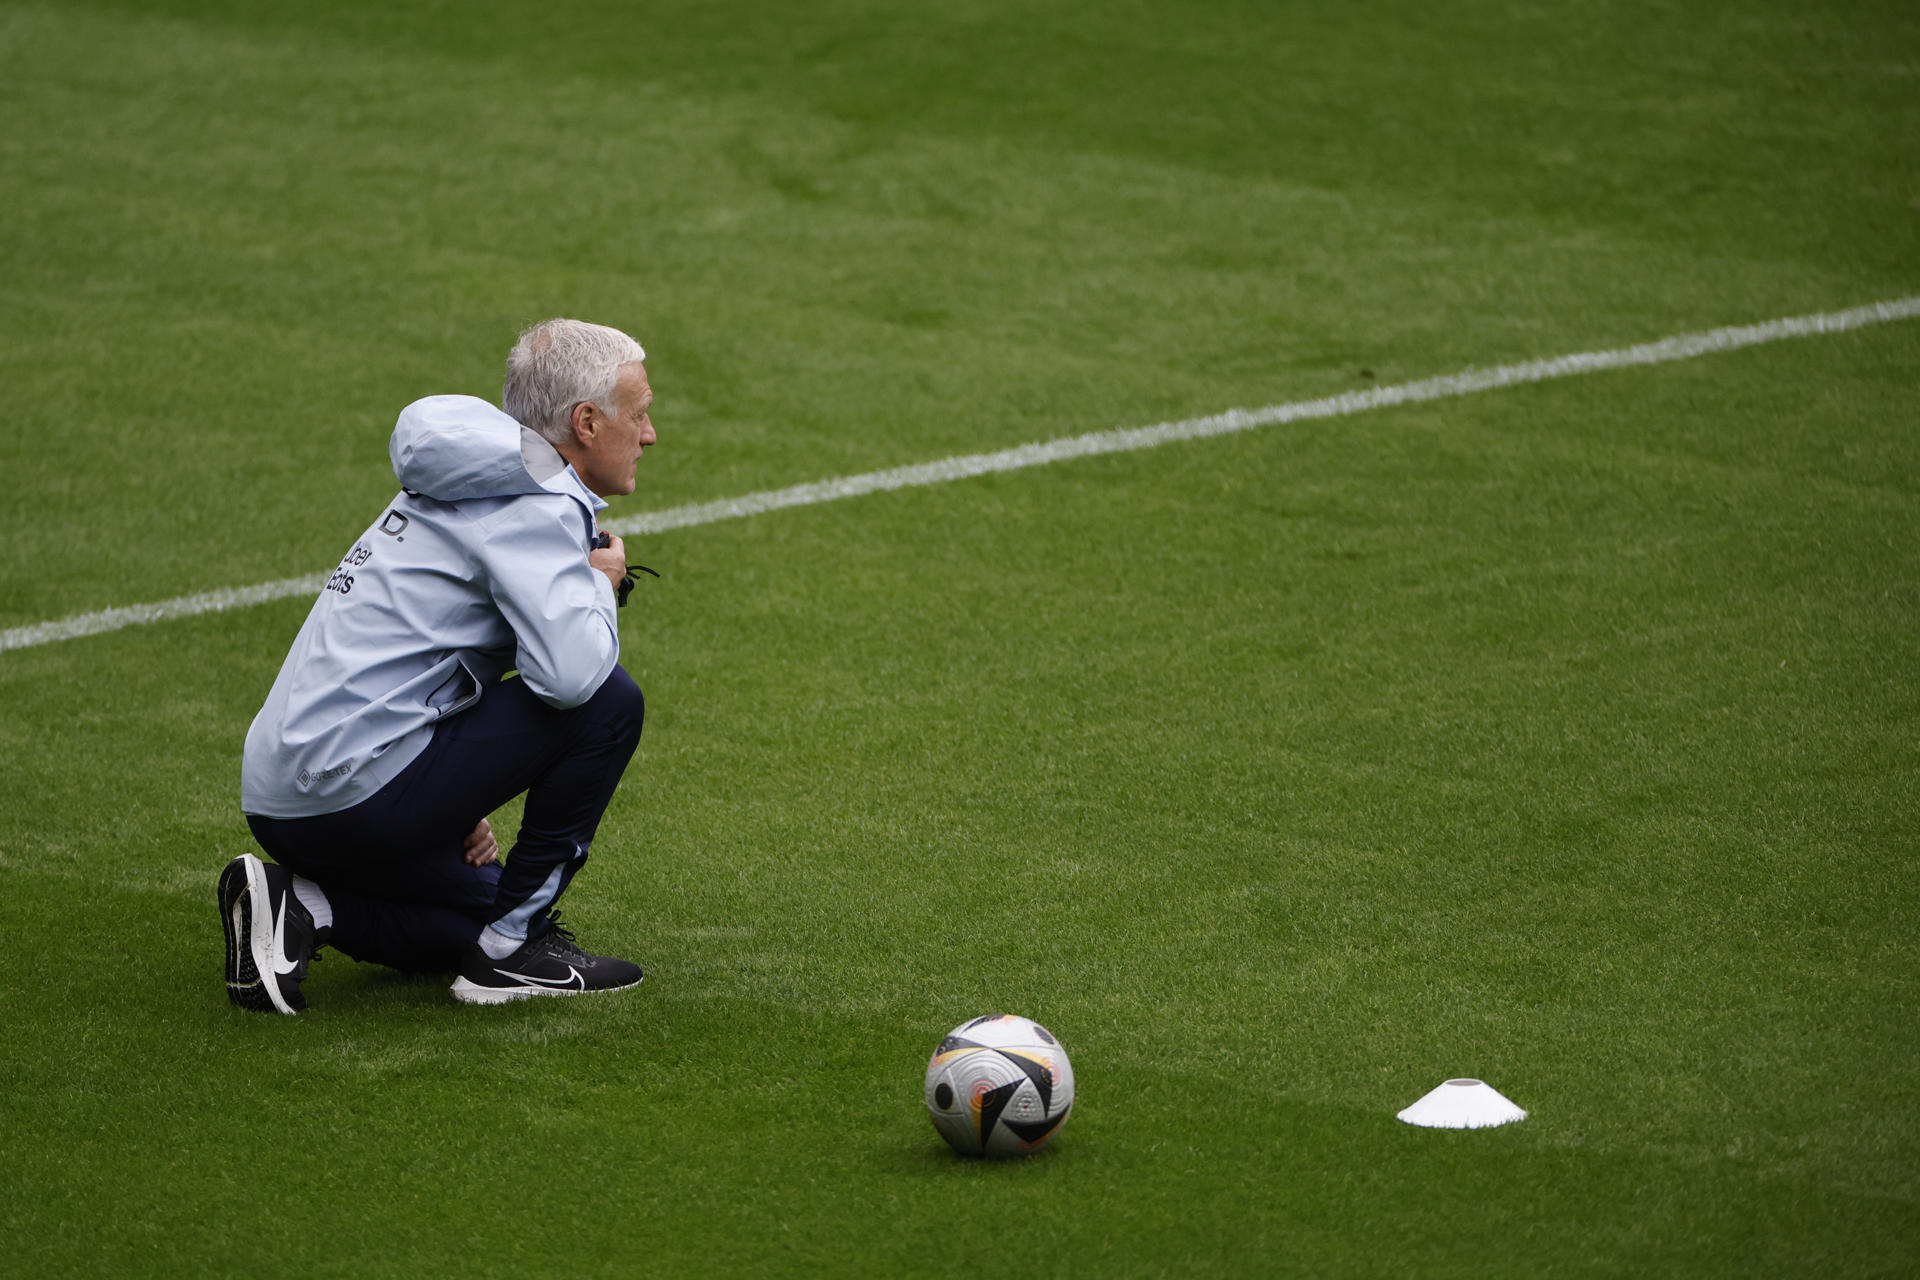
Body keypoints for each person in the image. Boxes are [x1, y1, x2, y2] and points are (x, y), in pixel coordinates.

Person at [224, 318, 658, 1013]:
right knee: (609, 703)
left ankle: (302, 906)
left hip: (285, 794)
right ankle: (514, 956)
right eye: (638, 415)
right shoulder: (535, 501)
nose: (649, 434)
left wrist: (450, 798)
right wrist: (600, 584)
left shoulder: (467, 466)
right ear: (585, 422)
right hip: (351, 793)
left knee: (482, 913)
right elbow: (572, 680)